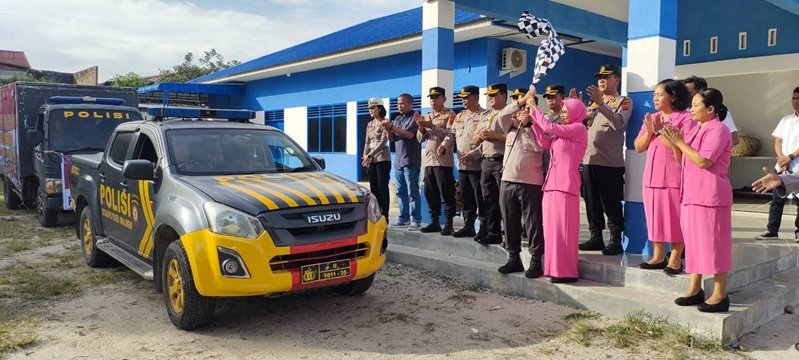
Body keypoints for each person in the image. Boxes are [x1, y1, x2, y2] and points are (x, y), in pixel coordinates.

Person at [661, 88, 733, 313]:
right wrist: (674, 142)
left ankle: (720, 294)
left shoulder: (719, 130)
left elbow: (704, 161)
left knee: (716, 245)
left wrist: (680, 143)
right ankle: (694, 288)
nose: (691, 109)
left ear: (710, 109)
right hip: (691, 194)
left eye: (695, 105)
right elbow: (682, 161)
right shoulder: (695, 130)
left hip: (711, 197)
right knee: (694, 243)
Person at [633, 79, 695, 274]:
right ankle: (658, 256)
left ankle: (675, 259)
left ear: (673, 96)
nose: (655, 98)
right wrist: (650, 131)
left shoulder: (685, 118)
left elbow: (681, 147)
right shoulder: (653, 117)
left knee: (675, 219)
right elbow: (639, 146)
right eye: (655, 95)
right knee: (654, 218)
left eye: (660, 94)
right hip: (652, 178)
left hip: (673, 178)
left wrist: (659, 131)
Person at [528, 89, 588, 284]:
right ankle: (553, 268)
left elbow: (549, 127)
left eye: (565, 111)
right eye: (561, 112)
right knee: (552, 230)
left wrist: (535, 108)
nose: (562, 115)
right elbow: (544, 141)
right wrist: (532, 120)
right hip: (551, 185)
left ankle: (567, 271)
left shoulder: (578, 129)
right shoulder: (562, 134)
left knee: (564, 230)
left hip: (566, 186)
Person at [579, 64, 633, 256]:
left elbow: (619, 124)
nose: (601, 80)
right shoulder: (592, 104)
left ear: (616, 79)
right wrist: (577, 109)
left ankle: (615, 239)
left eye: (606, 76)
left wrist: (601, 104)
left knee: (611, 202)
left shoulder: (623, 102)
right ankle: (596, 237)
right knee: (591, 202)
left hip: (610, 163)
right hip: (589, 160)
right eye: (599, 77)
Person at [495, 90, 546, 278]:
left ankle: (536, 260)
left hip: (530, 182)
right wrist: (521, 101)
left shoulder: (540, 125)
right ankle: (513, 257)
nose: (519, 111)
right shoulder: (509, 126)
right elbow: (502, 115)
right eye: (518, 107)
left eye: (525, 107)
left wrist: (529, 125)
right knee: (509, 221)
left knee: (533, 223)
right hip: (508, 180)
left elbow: (540, 146)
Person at [755, 86, 799, 241]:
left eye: (798, 98)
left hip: (797, 168)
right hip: (782, 167)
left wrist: (790, 157)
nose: (795, 101)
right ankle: (772, 230)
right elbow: (778, 141)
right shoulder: (786, 120)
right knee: (776, 201)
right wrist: (781, 158)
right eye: (793, 98)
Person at [472, 83, 509, 245]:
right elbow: (474, 141)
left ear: (504, 96)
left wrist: (495, 136)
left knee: (505, 201)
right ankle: (493, 233)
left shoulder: (509, 114)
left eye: (494, 95)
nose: (491, 98)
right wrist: (481, 135)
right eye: (489, 96)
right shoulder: (486, 115)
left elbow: (514, 138)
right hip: (486, 161)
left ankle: (509, 235)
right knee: (489, 200)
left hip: (502, 160)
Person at [417, 87, 457, 235]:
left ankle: (449, 223)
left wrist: (432, 127)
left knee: (446, 192)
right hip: (429, 160)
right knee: (430, 192)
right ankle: (434, 221)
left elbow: (450, 134)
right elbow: (419, 139)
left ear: (444, 99)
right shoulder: (427, 116)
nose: (433, 100)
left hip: (443, 161)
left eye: (436, 97)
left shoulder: (450, 115)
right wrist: (421, 128)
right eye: (431, 98)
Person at [382, 93, 423, 229]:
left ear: (410, 104)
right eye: (398, 103)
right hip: (399, 161)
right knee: (400, 191)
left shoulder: (415, 118)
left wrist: (392, 127)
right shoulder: (397, 119)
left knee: (412, 191)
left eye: (402, 103)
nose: (399, 106)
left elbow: (409, 135)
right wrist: (388, 129)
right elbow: (391, 138)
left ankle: (415, 219)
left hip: (411, 160)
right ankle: (403, 218)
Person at [451, 85, 485, 238]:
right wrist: (444, 144)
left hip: (477, 166)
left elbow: (487, 142)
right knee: (466, 197)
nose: (463, 101)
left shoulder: (484, 115)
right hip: (463, 165)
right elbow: (451, 134)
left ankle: (483, 227)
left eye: (466, 98)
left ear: (476, 97)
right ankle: (468, 226)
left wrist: (473, 154)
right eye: (462, 98)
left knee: (480, 198)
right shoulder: (460, 116)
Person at [683, 76, 739, 146]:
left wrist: (714, 147)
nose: (684, 96)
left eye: (688, 93)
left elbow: (734, 138)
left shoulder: (720, 113)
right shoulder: (683, 112)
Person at [362, 97, 391, 220]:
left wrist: (370, 154)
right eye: (369, 108)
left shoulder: (385, 122)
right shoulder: (370, 124)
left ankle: (385, 215)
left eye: (372, 108)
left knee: (382, 187)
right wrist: (365, 155)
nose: (370, 110)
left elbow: (383, 141)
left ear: (379, 108)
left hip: (382, 158)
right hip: (371, 160)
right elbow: (367, 142)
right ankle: (377, 214)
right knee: (373, 188)